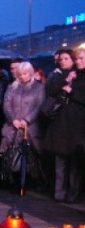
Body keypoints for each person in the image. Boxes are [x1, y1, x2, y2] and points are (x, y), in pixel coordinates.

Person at [43, 49, 85, 202]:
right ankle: (59, 192)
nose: (78, 61)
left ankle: (73, 194)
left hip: (78, 125)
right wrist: (67, 84)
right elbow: (54, 93)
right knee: (61, 159)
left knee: (75, 162)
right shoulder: (69, 76)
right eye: (77, 58)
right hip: (63, 123)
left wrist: (71, 91)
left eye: (81, 58)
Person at [0, 62, 45, 191]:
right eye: (20, 74)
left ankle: (32, 182)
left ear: (30, 73)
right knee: (12, 156)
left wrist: (27, 120)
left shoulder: (39, 87)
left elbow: (39, 106)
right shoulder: (12, 87)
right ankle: (14, 182)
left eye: (25, 74)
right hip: (13, 128)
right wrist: (13, 119)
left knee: (32, 156)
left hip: (30, 128)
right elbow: (7, 105)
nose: (22, 76)